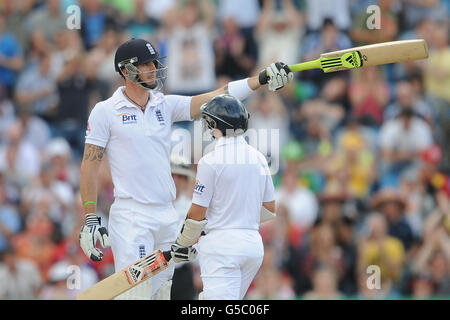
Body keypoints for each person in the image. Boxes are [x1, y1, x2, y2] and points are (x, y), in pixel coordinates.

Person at [78, 37, 293, 300]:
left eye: (153, 62)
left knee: (162, 294)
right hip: (133, 216)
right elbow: (90, 163)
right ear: (126, 70)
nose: (153, 68)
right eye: (146, 65)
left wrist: (259, 80)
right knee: (136, 296)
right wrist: (90, 218)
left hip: (167, 215)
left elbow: (217, 96)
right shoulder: (105, 111)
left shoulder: (164, 105)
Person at [170, 94, 277, 300]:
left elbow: (196, 215)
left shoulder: (210, 161)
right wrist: (240, 216)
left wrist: (182, 243)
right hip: (253, 246)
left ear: (214, 125)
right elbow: (270, 208)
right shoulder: (259, 158)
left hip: (222, 248)